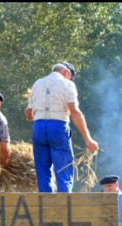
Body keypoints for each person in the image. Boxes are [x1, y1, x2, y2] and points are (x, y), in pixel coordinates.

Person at [25, 62, 99, 192]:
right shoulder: (68, 84)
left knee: (42, 166)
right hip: (58, 126)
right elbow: (75, 112)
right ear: (66, 73)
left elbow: (28, 115)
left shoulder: (37, 83)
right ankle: (65, 201)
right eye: (71, 76)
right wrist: (88, 139)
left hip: (39, 127)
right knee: (63, 166)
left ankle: (46, 200)